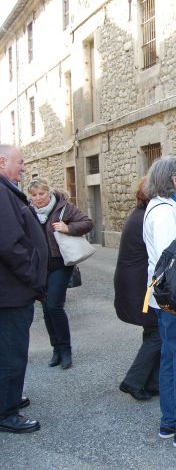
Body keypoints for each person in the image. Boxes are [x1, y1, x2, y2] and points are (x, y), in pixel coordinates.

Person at [143, 157, 176, 449]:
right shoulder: (164, 212)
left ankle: (171, 422)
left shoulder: (168, 207)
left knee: (172, 358)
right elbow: (170, 260)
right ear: (174, 180)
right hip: (172, 297)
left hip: (166, 296)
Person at [0, 145, 47, 433]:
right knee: (11, 353)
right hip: (11, 293)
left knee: (8, 351)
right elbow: (8, 244)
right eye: (20, 162)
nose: (24, 167)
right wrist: (32, 273)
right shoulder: (2, 192)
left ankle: (8, 398)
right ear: (1, 162)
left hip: (11, 291)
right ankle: (6, 413)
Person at [28, 177, 93, 370]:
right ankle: (56, 349)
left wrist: (68, 228)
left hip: (60, 265)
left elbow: (87, 223)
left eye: (41, 193)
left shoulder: (63, 208)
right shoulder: (28, 212)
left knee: (54, 305)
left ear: (48, 192)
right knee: (46, 308)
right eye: (34, 195)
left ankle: (66, 350)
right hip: (39, 268)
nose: (38, 198)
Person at [114, 177, 160, 401]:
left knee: (152, 331)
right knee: (157, 333)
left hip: (134, 284)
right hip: (140, 286)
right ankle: (133, 381)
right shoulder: (146, 217)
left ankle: (150, 383)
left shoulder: (139, 214)